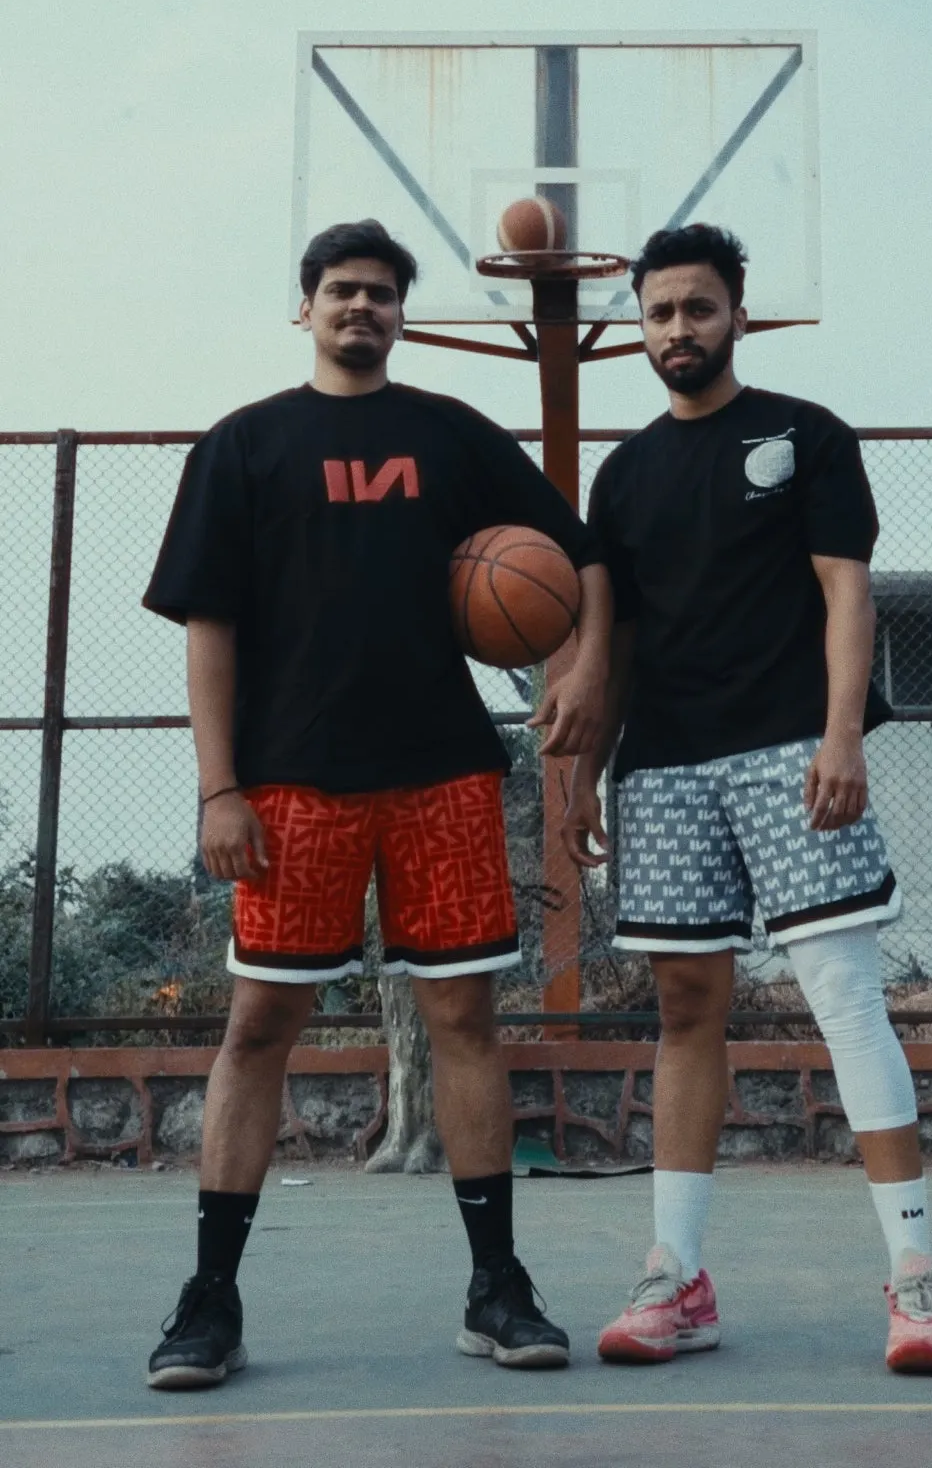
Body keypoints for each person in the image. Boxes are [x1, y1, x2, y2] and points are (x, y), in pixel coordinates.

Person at [142, 219, 611, 1389]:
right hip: (289, 782)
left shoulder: (448, 434)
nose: (362, 308)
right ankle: (211, 1300)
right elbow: (211, 627)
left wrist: (586, 669)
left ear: (404, 314)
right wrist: (219, 786)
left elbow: (577, 554)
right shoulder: (244, 445)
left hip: (442, 772)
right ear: (302, 308)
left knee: (466, 1025)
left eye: (382, 294)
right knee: (258, 1031)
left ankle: (497, 1287)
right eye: (342, 291)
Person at [563, 222, 932, 1375]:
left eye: (697, 308)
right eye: (658, 313)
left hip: (794, 745)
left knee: (843, 996)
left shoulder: (807, 434)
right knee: (685, 1010)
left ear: (738, 312)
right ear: (638, 326)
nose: (677, 330)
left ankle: (916, 1282)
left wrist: (844, 734)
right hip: (671, 764)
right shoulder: (626, 471)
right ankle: (675, 1279)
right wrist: (587, 772)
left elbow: (848, 595)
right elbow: (615, 641)